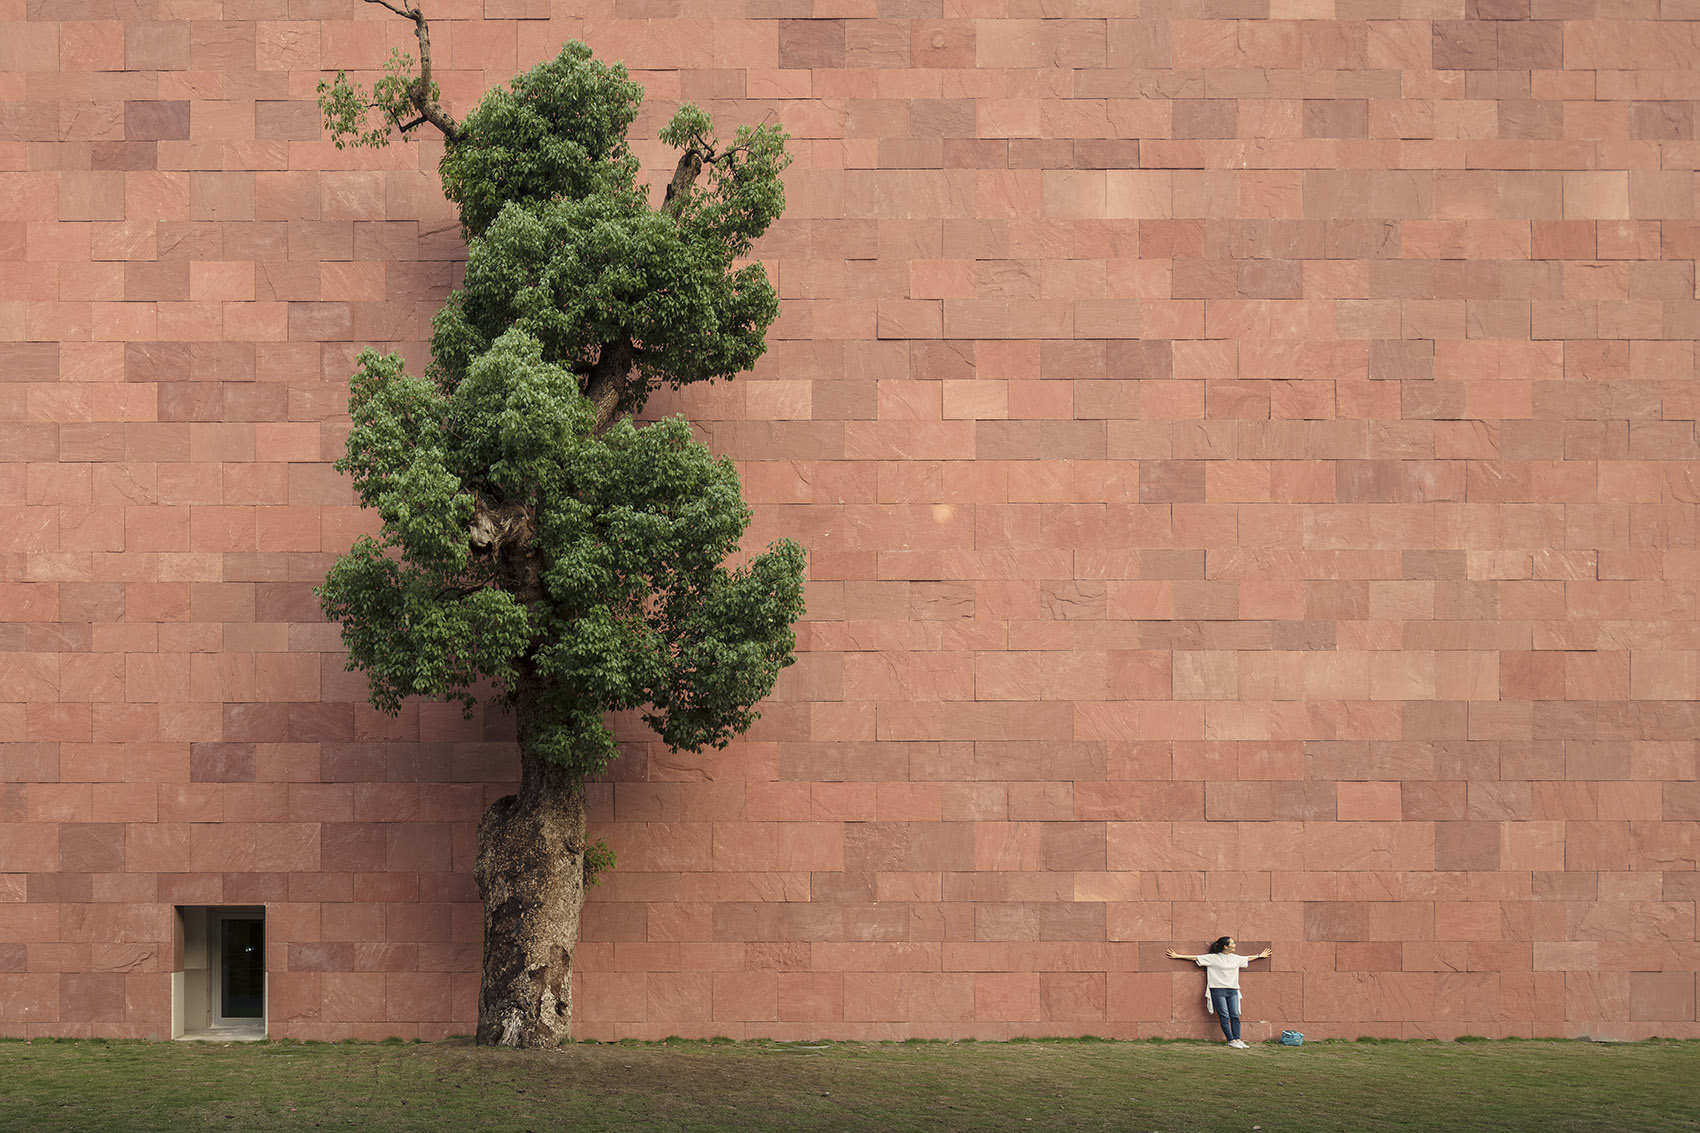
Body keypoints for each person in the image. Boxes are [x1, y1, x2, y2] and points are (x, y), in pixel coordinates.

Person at [1166, 936, 1272, 1048]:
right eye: (1232, 943)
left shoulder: (1235, 958)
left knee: (1235, 1015)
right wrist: (1177, 956)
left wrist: (1260, 956)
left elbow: (1247, 958)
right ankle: (1231, 1040)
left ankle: (1237, 1039)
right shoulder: (1213, 958)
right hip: (1218, 990)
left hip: (1233, 990)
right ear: (1225, 946)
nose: (1235, 945)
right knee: (1225, 1015)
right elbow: (1195, 958)